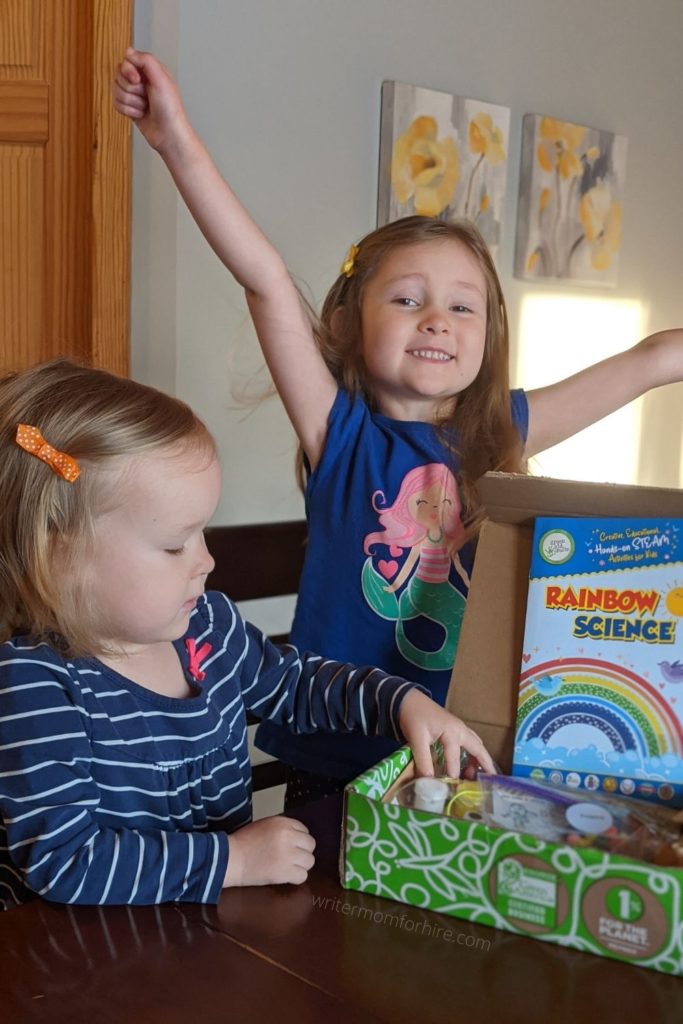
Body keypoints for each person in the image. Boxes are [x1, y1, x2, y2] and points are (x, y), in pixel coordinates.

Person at [113, 49, 683, 807]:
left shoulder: (506, 429)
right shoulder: (340, 432)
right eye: (408, 300)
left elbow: (655, 358)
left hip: (464, 757)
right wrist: (174, 140)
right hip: (335, 753)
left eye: (462, 305)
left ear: (487, 333)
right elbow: (264, 281)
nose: (437, 321)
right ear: (348, 324)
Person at [0, 359, 493, 910]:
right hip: (88, 969)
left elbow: (297, 687)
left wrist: (401, 702)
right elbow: (67, 862)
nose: (206, 561)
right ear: (58, 551)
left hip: (205, 937)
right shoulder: (34, 684)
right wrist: (232, 860)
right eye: (173, 545)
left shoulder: (206, 628)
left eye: (203, 532)